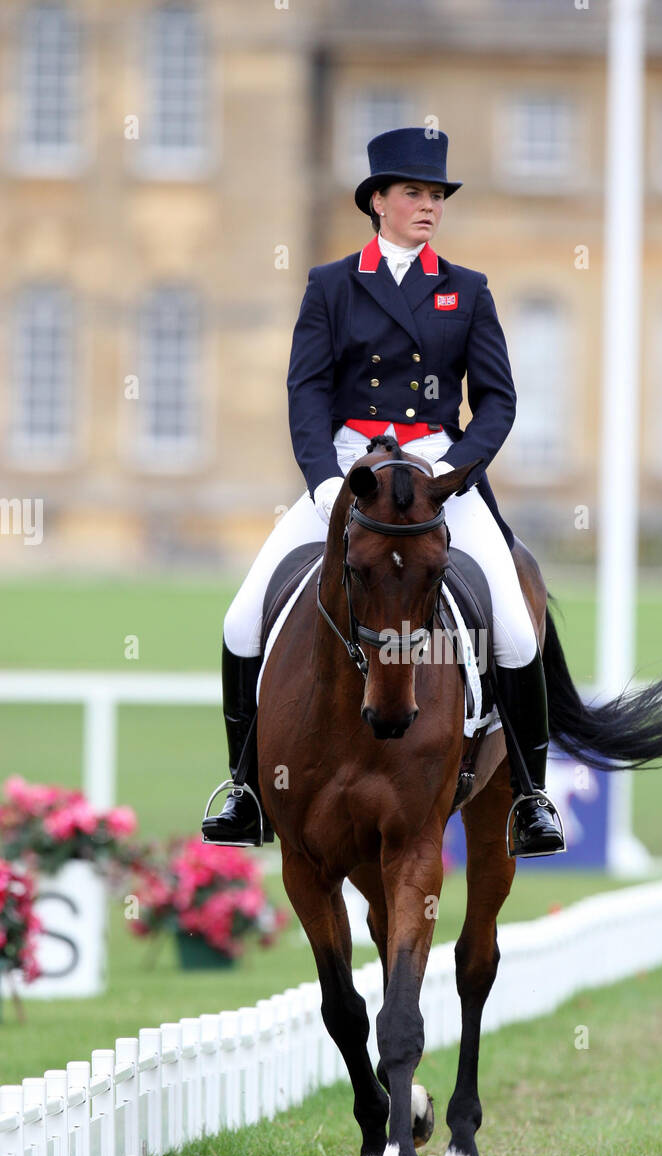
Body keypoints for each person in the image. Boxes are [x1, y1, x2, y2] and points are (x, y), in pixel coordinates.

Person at [202, 127, 565, 857]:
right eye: (414, 194)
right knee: (242, 620)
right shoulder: (330, 285)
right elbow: (305, 389)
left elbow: (496, 400)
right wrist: (326, 480)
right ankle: (246, 789)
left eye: (436, 195)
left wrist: (456, 470)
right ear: (377, 202)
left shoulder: (467, 290)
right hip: (348, 467)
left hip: (437, 467)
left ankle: (530, 797)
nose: (428, 205)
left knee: (521, 632)